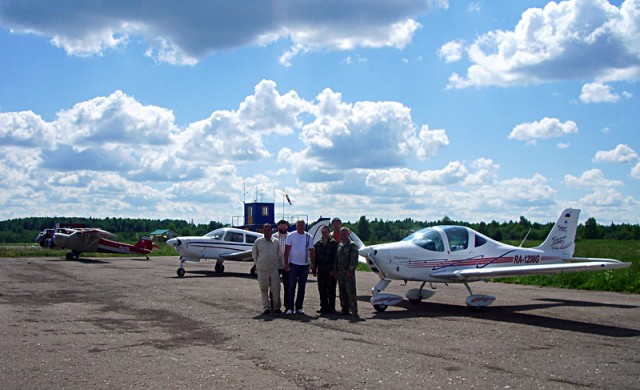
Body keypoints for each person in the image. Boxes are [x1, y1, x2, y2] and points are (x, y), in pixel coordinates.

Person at [284, 219, 315, 315]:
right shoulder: (291, 236)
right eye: (299, 225)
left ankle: (299, 307)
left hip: (304, 265)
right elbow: (287, 251)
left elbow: (312, 251)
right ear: (296, 226)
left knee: (302, 287)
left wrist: (312, 264)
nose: (301, 226)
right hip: (293, 264)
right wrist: (286, 263)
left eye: (302, 225)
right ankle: (289, 308)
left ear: (305, 226)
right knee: (291, 286)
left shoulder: (308, 236)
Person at [252, 223, 281, 315]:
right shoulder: (258, 242)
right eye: (264, 230)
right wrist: (259, 264)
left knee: (276, 289)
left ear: (271, 230)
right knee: (263, 289)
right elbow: (254, 255)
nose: (266, 232)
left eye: (268, 230)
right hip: (262, 269)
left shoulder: (276, 242)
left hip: (273, 269)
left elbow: (279, 255)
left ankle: (276, 307)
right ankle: (266, 308)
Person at [313, 225, 338, 314]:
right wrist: (314, 268)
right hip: (321, 270)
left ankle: (332, 307)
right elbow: (316, 257)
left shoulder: (334, 243)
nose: (324, 234)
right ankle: (323, 306)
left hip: (330, 270)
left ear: (329, 232)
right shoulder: (318, 244)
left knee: (331, 289)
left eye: (326, 232)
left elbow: (335, 258)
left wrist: (334, 270)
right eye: (322, 232)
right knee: (322, 289)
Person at [336, 227, 359, 317]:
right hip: (340, 272)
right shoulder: (340, 245)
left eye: (345, 234)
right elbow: (337, 259)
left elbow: (354, 259)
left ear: (348, 234)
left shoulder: (352, 245)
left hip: (348, 272)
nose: (343, 235)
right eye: (342, 234)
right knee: (342, 291)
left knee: (351, 291)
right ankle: (344, 309)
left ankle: (354, 310)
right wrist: (336, 271)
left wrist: (351, 270)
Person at [273, 219, 290, 310]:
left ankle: (288, 306)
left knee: (288, 286)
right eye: (281, 225)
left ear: (287, 227)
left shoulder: (291, 236)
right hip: (275, 265)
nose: (283, 227)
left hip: (287, 265)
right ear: (278, 226)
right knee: (274, 286)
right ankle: (275, 306)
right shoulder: (273, 237)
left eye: (285, 225)